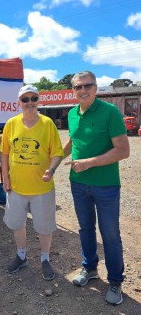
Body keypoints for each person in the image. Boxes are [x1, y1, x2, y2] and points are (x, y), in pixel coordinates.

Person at [63, 71, 130, 305]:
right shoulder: (72, 113)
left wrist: (89, 163)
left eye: (87, 85)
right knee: (85, 229)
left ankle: (115, 281)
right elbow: (73, 141)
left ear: (96, 87)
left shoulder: (110, 112)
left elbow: (123, 150)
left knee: (110, 234)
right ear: (73, 90)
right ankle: (90, 268)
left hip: (106, 185)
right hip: (78, 183)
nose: (83, 90)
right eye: (78, 87)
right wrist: (50, 161)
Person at [0, 84, 63, 280]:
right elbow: (5, 152)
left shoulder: (47, 124)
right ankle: (21, 256)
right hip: (17, 187)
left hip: (42, 188)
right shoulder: (11, 123)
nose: (29, 103)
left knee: (44, 227)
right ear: (19, 102)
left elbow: (57, 153)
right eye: (25, 99)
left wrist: (51, 170)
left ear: (38, 101)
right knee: (18, 224)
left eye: (33, 99)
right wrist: (5, 177)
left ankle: (45, 259)